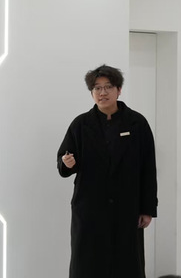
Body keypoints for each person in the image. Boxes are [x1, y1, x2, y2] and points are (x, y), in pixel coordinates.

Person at [57, 64, 158, 278]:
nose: (102, 92)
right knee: (88, 263)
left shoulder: (137, 123)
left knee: (126, 262)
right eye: (97, 88)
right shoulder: (80, 124)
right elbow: (64, 163)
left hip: (127, 207)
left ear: (119, 90)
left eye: (108, 87)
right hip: (90, 208)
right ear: (92, 93)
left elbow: (148, 168)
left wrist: (147, 208)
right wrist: (67, 163)